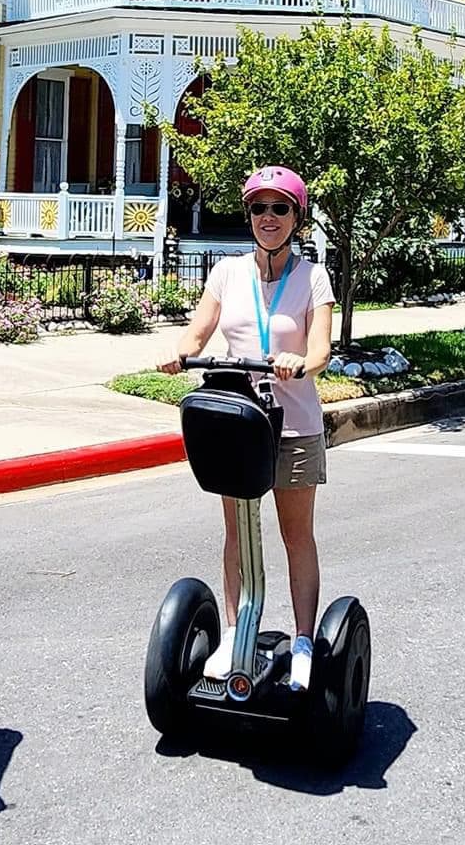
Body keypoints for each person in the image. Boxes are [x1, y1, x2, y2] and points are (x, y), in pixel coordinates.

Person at [160, 166, 334, 690]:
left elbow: (322, 348)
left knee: (293, 534)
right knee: (237, 531)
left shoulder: (313, 277)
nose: (268, 218)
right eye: (259, 208)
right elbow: (198, 332)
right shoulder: (226, 273)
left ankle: (303, 640)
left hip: (295, 425)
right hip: (241, 423)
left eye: (280, 208)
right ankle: (235, 631)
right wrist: (179, 352)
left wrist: (299, 361)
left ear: (296, 218)